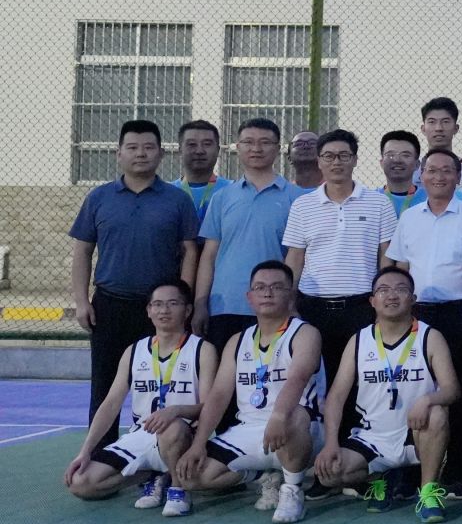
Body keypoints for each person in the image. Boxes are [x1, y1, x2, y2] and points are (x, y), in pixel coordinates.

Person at [69, 119, 201, 429]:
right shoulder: (99, 198)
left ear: (161, 154)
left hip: (161, 310)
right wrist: (81, 301)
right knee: (105, 386)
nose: (140, 154)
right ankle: (101, 451)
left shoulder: (178, 200)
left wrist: (183, 301)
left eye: (148, 147)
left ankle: (163, 450)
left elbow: (190, 252)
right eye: (132, 147)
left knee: (165, 383)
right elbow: (82, 251)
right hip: (110, 305)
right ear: (119, 154)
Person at [175, 261, 326, 523]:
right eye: (260, 287)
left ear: (291, 295)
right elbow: (219, 395)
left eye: (277, 287)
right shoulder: (238, 341)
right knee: (190, 477)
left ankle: (292, 490)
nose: (267, 293)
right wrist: (198, 444)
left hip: (298, 428)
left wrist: (278, 416)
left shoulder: (305, 333)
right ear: (249, 297)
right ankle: (260, 476)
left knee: (294, 415)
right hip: (249, 429)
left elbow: (298, 378)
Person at [314, 267, 462, 522]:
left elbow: (452, 390)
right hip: (372, 437)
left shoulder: (429, 337)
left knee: (437, 413)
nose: (392, 295)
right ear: (372, 301)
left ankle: (428, 492)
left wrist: (428, 400)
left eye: (401, 289)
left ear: (413, 299)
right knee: (329, 473)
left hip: (415, 433)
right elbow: (336, 396)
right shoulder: (359, 340)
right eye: (383, 290)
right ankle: (379, 479)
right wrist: (330, 444)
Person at [63, 280, 210, 514]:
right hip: (142, 434)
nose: (164, 310)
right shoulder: (134, 351)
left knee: (172, 428)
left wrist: (175, 411)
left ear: (188, 310)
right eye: (157, 304)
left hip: (182, 436)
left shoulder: (202, 349)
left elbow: (208, 406)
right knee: (81, 484)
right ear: (148, 310)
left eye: (173, 303)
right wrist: (85, 451)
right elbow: (111, 404)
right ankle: (154, 474)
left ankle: (178, 488)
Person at [388, 147, 462, 491]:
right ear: (422, 174)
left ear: (459, 176)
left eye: (447, 171)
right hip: (416, 313)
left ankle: (458, 470)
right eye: (432, 170)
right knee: (412, 389)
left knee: (459, 390)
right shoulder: (409, 217)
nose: (439, 177)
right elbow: (400, 267)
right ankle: (409, 470)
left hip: (458, 313)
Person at [283, 129, 396, 380]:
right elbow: (295, 258)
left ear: (355, 160)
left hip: (362, 307)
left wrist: (383, 304)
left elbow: (386, 259)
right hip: (312, 307)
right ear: (319, 161)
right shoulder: (302, 206)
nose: (336, 162)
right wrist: (289, 304)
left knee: (359, 377)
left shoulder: (379, 203)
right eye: (329, 156)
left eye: (344, 156)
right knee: (314, 378)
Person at [193, 117, 300, 349]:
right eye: (248, 142)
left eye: (265, 142)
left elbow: (299, 256)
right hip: (225, 305)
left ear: (278, 148)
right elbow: (209, 256)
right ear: (238, 147)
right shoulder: (222, 197)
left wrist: (291, 301)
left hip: (275, 306)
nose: (256, 148)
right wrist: (200, 303)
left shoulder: (297, 198)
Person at [170, 119, 224, 219]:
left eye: (207, 144)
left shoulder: (231, 190)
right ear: (180, 150)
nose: (199, 151)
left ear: (218, 150)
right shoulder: (166, 193)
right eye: (192, 144)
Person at [378, 130, 425, 218]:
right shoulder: (371, 200)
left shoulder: (430, 199)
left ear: (417, 164)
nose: (397, 160)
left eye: (405, 155)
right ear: (381, 162)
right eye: (390, 155)